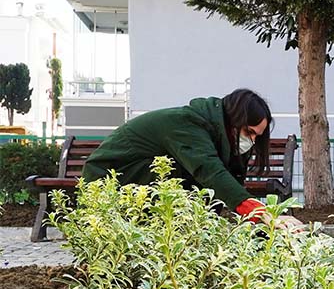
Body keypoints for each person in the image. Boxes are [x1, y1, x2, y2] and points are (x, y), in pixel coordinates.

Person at [83, 89, 300, 227]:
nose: (252, 141)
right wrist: (263, 214)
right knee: (188, 174)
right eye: (249, 132)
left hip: (140, 179)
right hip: (110, 180)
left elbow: (226, 187)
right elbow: (209, 171)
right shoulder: (186, 124)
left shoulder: (220, 138)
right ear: (233, 120)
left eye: (257, 137)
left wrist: (265, 226)